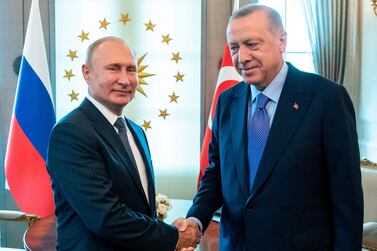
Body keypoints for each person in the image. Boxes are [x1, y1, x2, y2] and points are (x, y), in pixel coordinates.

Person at [186, 4, 363, 251]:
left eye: (252, 44)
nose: (242, 57)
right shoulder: (228, 101)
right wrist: (195, 218)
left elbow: (347, 199)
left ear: (282, 41)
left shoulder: (327, 98)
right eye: (234, 48)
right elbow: (215, 175)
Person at [47, 36, 200, 251]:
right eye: (113, 68)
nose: (125, 80)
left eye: (131, 69)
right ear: (86, 73)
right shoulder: (71, 132)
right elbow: (105, 217)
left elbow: (138, 205)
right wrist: (173, 237)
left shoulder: (136, 131)